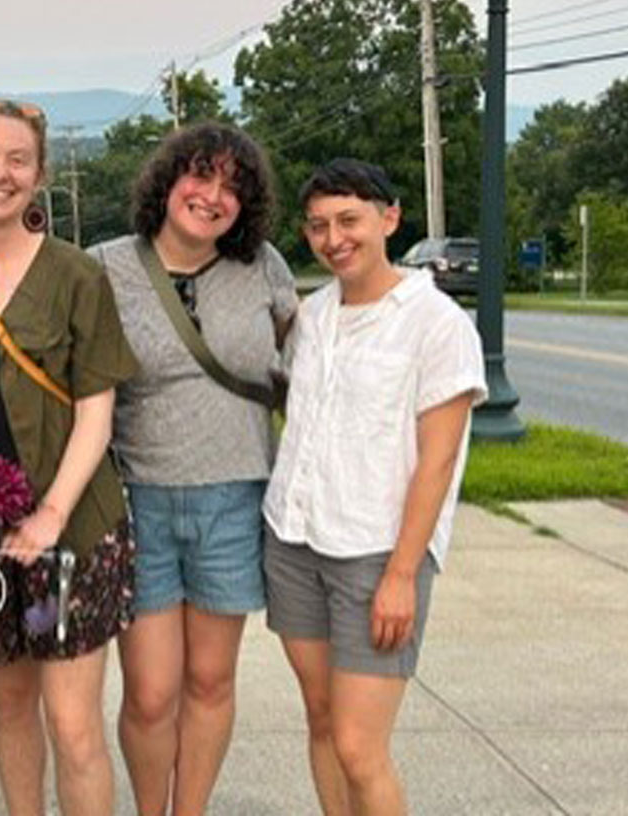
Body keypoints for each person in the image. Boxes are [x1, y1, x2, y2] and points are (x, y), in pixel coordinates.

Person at [0, 98, 138, 816]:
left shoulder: (77, 276)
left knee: (73, 726)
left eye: (18, 160)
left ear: (40, 175)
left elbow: (96, 411)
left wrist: (51, 513)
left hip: (69, 532)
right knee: (8, 710)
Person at [263, 158, 487, 816]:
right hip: (295, 541)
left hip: (376, 554)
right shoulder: (312, 317)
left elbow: (438, 463)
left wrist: (402, 573)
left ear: (389, 219)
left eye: (349, 221)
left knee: (361, 746)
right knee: (324, 723)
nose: (334, 238)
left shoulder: (436, 324)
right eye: (318, 226)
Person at [87, 122, 297, 816]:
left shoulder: (262, 266)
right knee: (150, 692)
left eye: (231, 188)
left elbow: (309, 369)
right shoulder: (106, 267)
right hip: (136, 497)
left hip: (234, 497)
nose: (212, 197)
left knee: (210, 680)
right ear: (168, 180)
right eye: (200, 176)